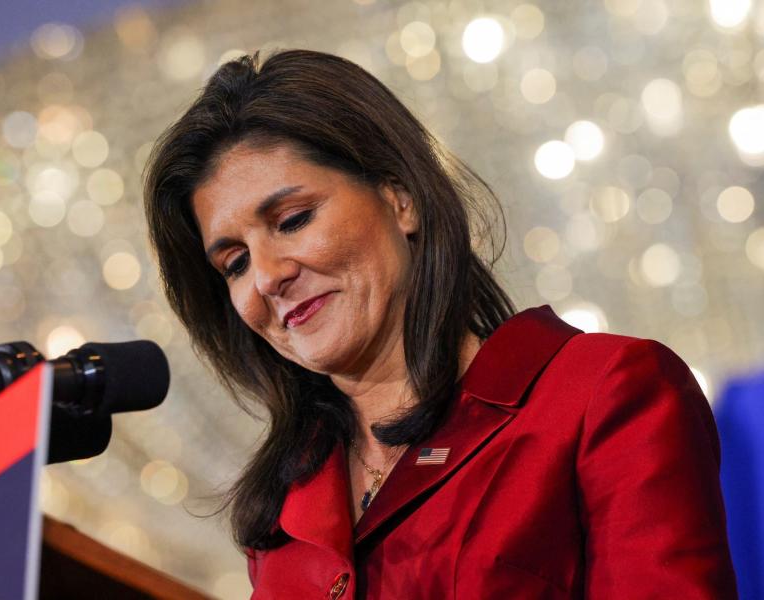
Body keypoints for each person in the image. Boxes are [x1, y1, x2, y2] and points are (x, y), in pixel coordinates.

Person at [143, 50, 736, 599]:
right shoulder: (283, 518)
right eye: (235, 263)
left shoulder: (601, 392)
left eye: (293, 219)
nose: (267, 276)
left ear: (401, 198)